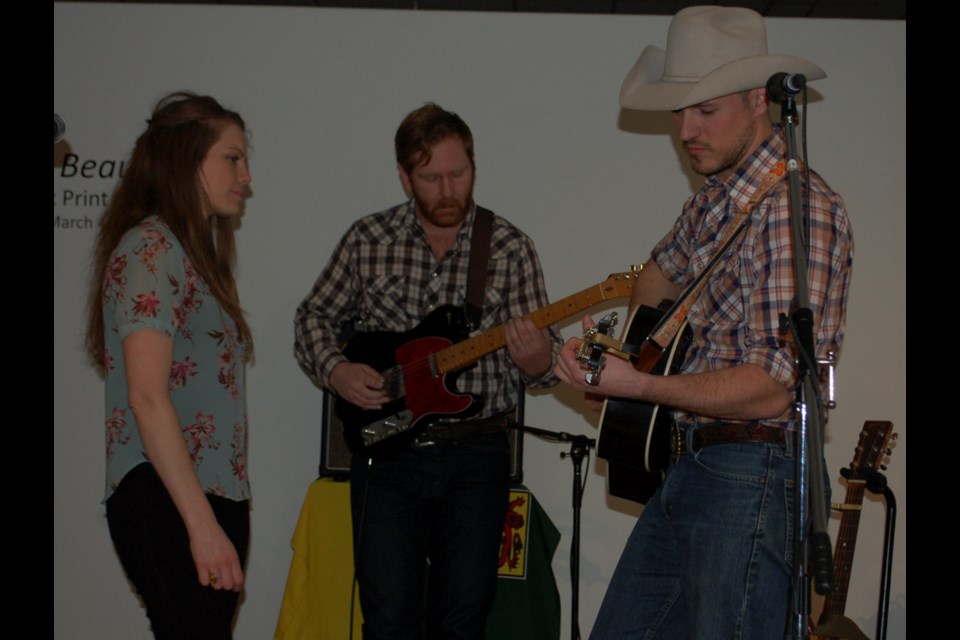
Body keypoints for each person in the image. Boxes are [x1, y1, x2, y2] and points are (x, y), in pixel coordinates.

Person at [554, 7, 853, 639]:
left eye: (705, 110)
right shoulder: (711, 202)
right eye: (678, 111)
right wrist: (633, 350)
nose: (686, 130)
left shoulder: (798, 210)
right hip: (692, 463)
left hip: (755, 471)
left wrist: (639, 387)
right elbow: (655, 277)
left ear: (758, 101)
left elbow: (773, 385)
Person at [294, 103, 561, 639]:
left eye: (458, 174)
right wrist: (338, 371)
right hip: (388, 457)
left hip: (477, 455)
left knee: (462, 620)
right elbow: (312, 319)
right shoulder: (367, 239)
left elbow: (543, 370)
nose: (447, 190)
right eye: (430, 177)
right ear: (404, 176)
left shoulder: (508, 247)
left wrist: (536, 359)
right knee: (387, 619)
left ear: (473, 166)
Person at [85, 92, 254, 639]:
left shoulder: (189, 253)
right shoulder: (150, 251)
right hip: (167, 498)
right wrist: (200, 525)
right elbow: (148, 397)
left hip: (203, 496)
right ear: (187, 157)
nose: (245, 176)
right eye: (232, 158)